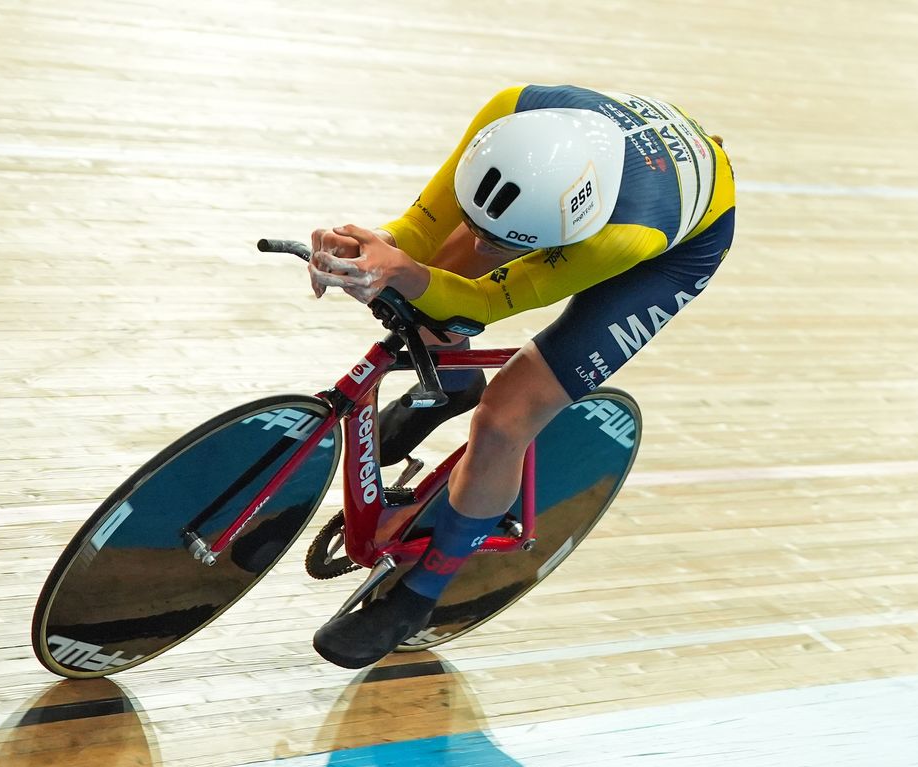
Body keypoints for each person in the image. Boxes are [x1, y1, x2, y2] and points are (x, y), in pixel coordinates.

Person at [308, 84, 736, 669]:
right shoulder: (512, 111)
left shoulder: (627, 234)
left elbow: (483, 303)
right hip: (616, 174)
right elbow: (416, 232)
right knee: (434, 276)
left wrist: (408, 272)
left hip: (670, 249)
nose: (489, 244)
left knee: (508, 418)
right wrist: (371, 246)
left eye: (508, 240)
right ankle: (451, 383)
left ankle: (422, 592)